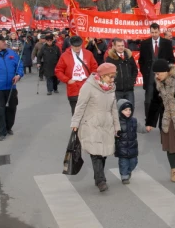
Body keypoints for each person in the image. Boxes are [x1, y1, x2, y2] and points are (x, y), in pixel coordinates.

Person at [71, 63, 121, 192]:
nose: (113, 79)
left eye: (114, 76)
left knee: (103, 153)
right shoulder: (88, 86)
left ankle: (97, 176)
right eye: (110, 76)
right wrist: (75, 124)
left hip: (107, 124)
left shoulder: (111, 88)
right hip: (92, 124)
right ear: (103, 75)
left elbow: (114, 108)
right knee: (96, 153)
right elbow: (80, 105)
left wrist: (117, 126)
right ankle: (100, 180)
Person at [139, 23, 175, 116]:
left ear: (159, 31)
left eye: (156, 32)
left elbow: (172, 59)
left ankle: (163, 120)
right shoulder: (144, 44)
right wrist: (144, 72)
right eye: (152, 32)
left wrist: (167, 72)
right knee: (148, 98)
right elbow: (141, 60)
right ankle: (149, 119)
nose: (154, 34)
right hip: (149, 76)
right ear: (150, 32)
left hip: (163, 76)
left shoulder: (167, 43)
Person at [56, 36, 99, 115]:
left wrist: (92, 79)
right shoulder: (65, 56)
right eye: (75, 46)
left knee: (89, 113)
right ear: (71, 45)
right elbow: (58, 71)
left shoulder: (88, 54)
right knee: (76, 113)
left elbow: (94, 68)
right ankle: (77, 127)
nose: (77, 48)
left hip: (87, 86)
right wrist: (67, 80)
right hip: (73, 88)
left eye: (79, 46)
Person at [115, 99, 148, 184]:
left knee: (134, 162)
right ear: (120, 111)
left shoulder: (134, 121)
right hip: (122, 148)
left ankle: (128, 171)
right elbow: (111, 131)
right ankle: (124, 176)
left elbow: (140, 128)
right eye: (125, 110)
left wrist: (146, 129)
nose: (128, 112)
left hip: (133, 147)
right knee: (123, 163)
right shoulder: (117, 122)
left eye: (129, 110)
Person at [106, 38, 138, 105]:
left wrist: (132, 81)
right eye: (119, 46)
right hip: (116, 90)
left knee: (130, 110)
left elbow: (135, 69)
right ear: (114, 46)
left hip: (129, 90)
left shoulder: (129, 56)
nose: (121, 47)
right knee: (118, 111)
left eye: (122, 45)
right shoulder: (110, 58)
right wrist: (113, 82)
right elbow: (107, 74)